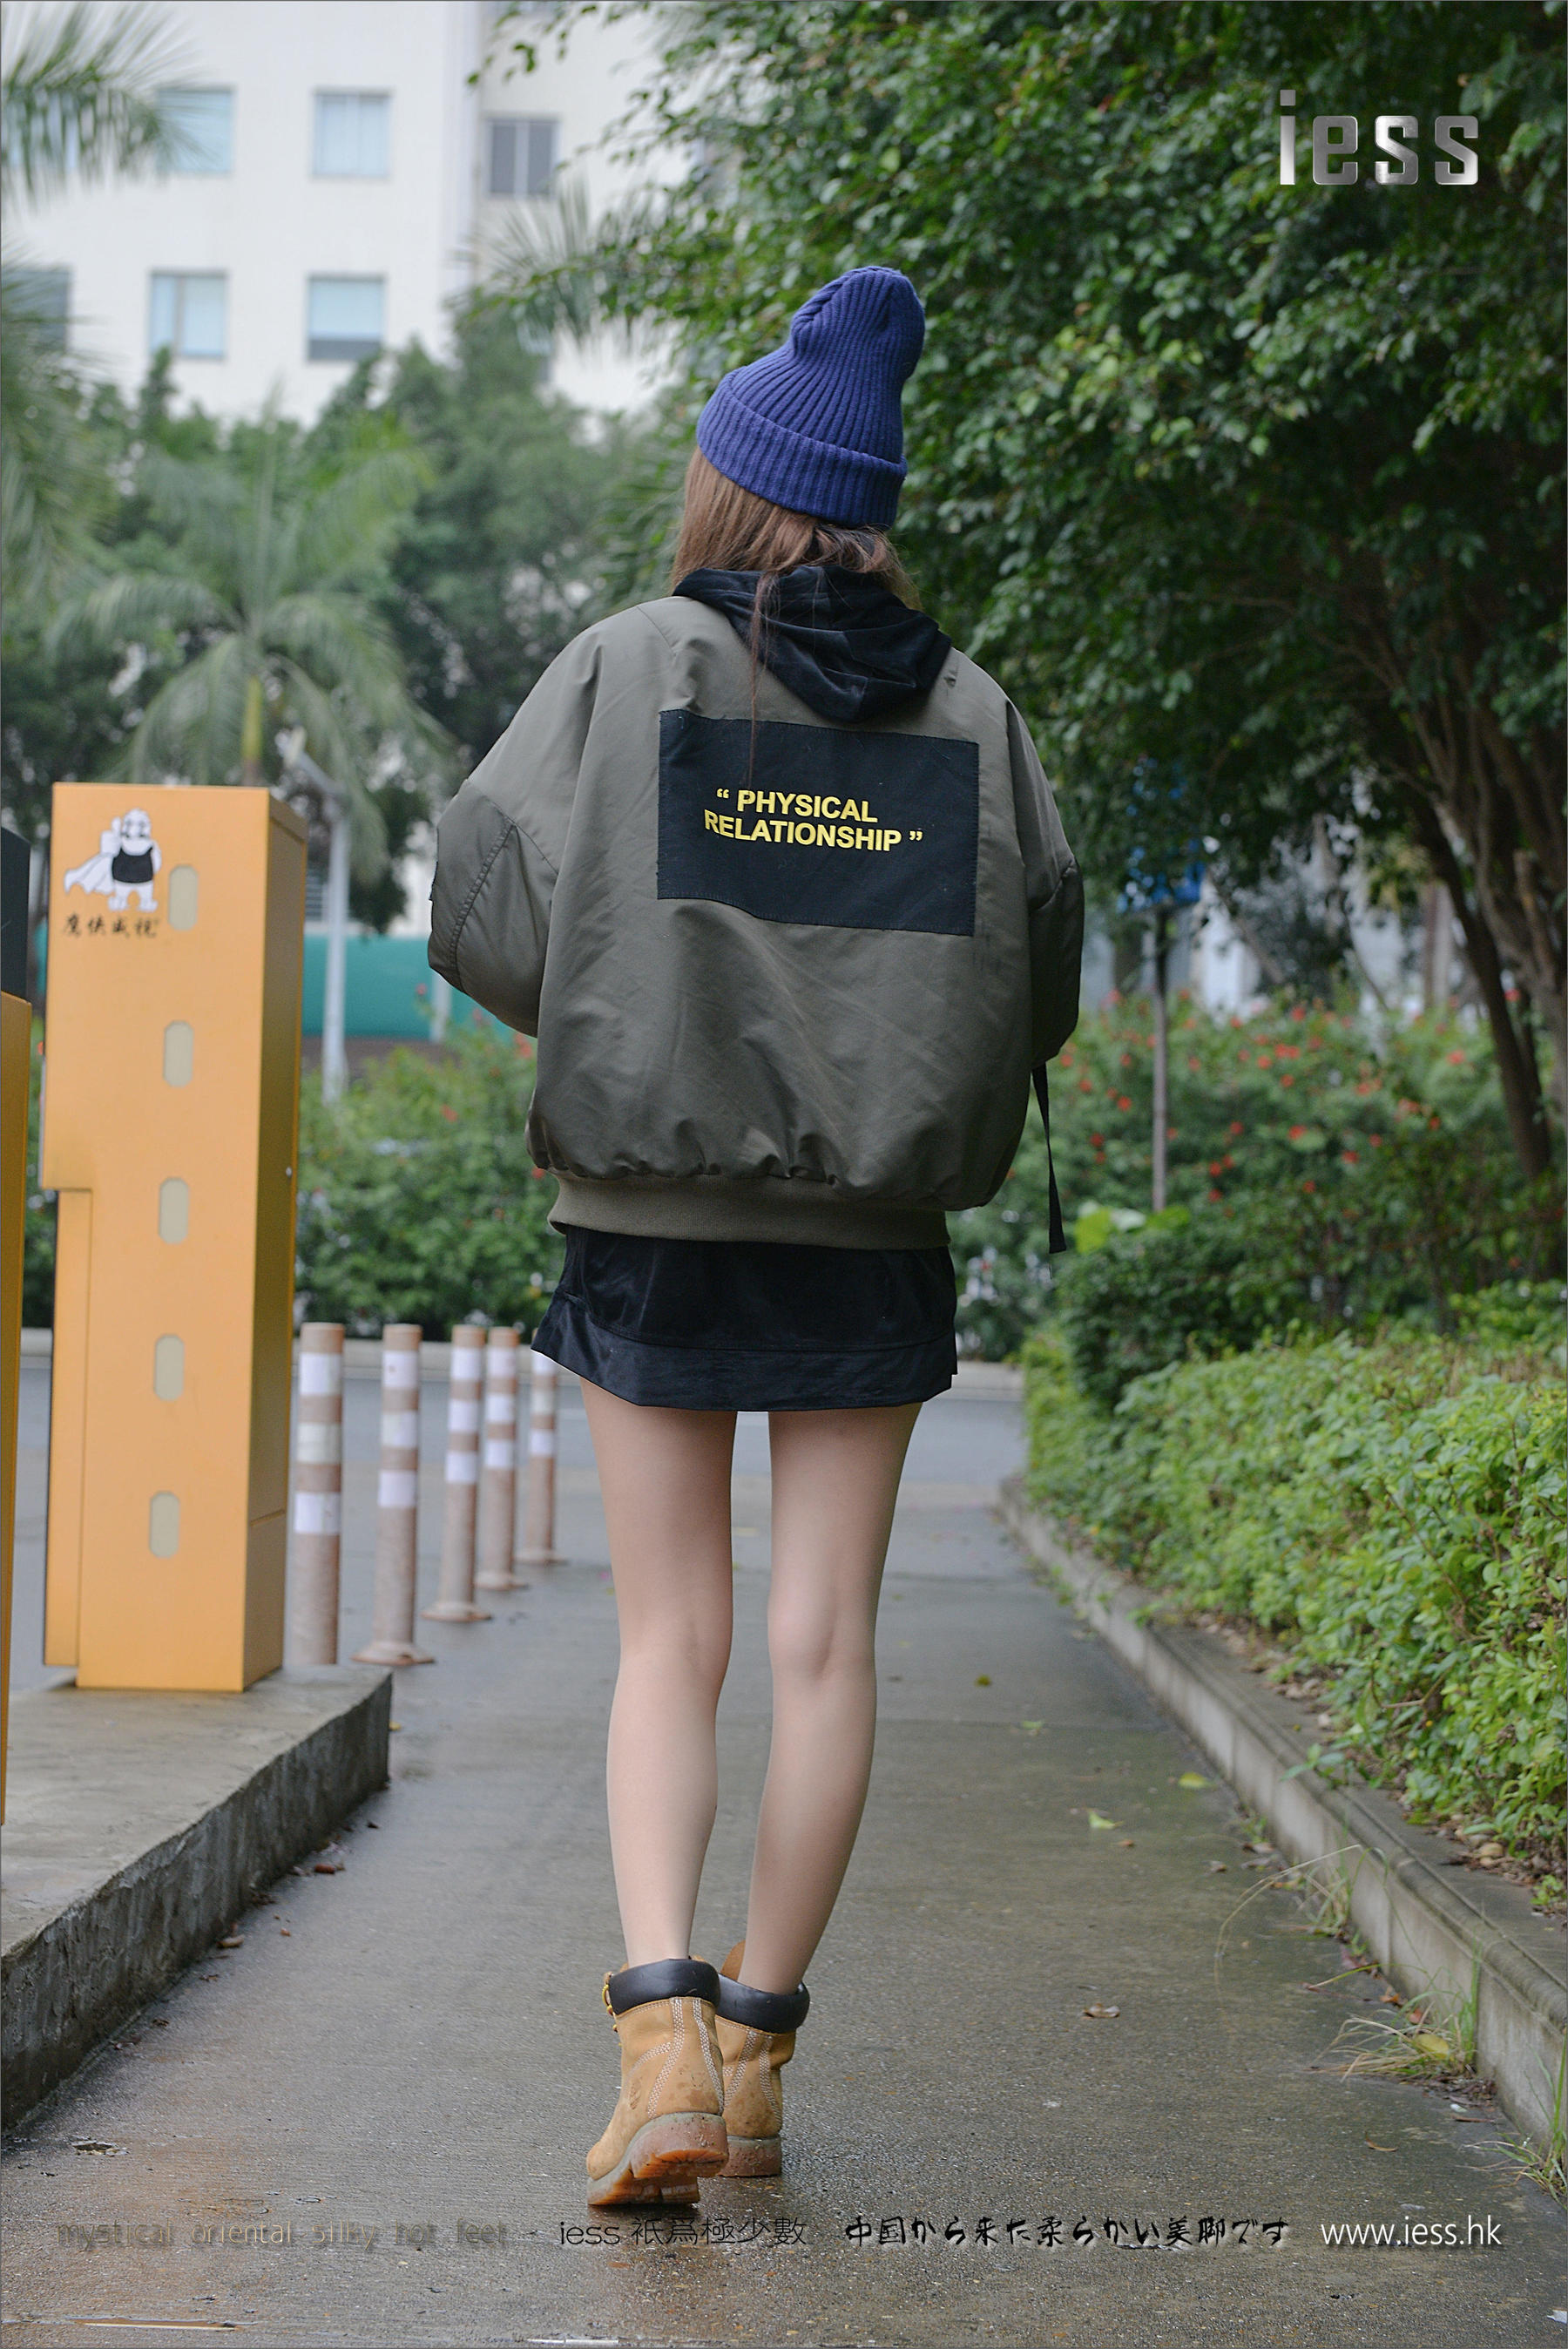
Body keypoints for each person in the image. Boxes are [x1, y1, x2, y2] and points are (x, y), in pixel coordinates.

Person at [429, 265, 1083, 2205]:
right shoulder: (972, 710)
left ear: (731, 487)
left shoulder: (631, 665)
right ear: (869, 512)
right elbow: (1039, 973)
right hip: (875, 1232)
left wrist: (615, 996)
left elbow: (481, 895)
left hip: (651, 1212)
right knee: (822, 1644)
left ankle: (660, 2059)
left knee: (673, 1633)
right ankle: (757, 2049)